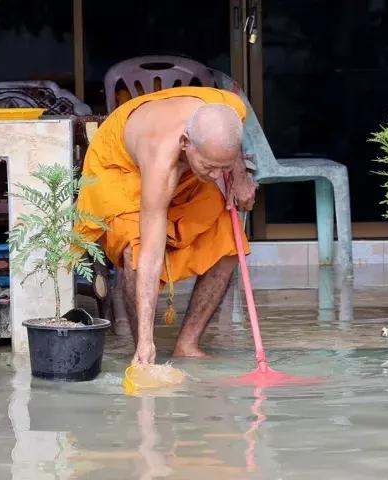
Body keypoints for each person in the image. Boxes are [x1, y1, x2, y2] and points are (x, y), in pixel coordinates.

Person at [74, 86, 256, 365]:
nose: (218, 175)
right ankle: (144, 349)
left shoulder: (231, 108)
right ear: (186, 142)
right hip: (123, 171)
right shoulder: (159, 157)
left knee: (228, 242)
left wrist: (239, 173)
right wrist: (146, 342)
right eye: (211, 167)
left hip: (187, 171)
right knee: (135, 252)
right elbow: (150, 253)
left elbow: (228, 147)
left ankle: (188, 343)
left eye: (224, 167)